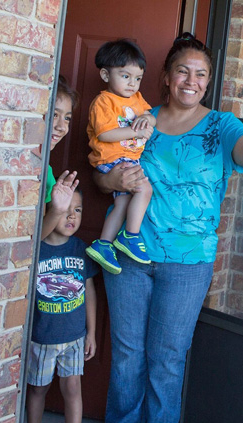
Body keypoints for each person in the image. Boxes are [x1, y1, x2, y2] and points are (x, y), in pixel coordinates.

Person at [94, 32, 243, 423]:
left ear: (207, 82)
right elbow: (104, 176)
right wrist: (115, 183)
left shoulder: (220, 126)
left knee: (167, 357)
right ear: (167, 78)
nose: (191, 80)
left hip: (189, 264)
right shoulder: (139, 118)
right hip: (131, 254)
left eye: (201, 74)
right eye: (183, 71)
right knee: (129, 354)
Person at [19, 185, 100, 423]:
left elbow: (89, 289)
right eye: (65, 209)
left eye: (77, 210)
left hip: (74, 338)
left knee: (72, 390)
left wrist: (91, 332)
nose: (72, 216)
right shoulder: (36, 249)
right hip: (41, 337)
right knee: (37, 389)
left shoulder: (80, 248)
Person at [85, 39, 155, 274]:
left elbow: (149, 114)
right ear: (106, 74)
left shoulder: (136, 99)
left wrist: (149, 120)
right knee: (145, 190)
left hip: (127, 159)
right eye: (125, 76)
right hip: (113, 158)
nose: (132, 83)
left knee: (123, 202)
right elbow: (105, 134)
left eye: (137, 78)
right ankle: (130, 236)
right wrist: (138, 130)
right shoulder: (103, 101)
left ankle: (104, 244)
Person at [40, 75, 80, 241]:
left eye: (67, 118)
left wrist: (57, 210)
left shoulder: (45, 171)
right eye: (55, 115)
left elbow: (36, 238)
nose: (61, 127)